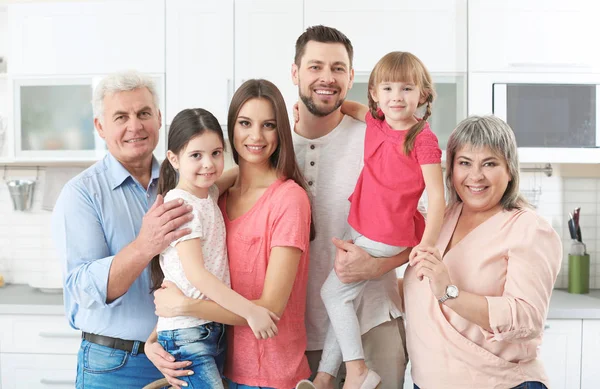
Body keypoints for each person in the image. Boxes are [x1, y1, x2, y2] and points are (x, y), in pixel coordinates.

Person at [147, 79, 314, 389]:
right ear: (231, 128)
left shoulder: (289, 200)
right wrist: (153, 339)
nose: (255, 135)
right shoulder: (214, 198)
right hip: (220, 360)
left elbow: (269, 312)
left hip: (270, 375)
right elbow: (186, 275)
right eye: (245, 123)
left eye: (268, 125)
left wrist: (183, 307)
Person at [52, 70, 195, 388]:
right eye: (121, 116)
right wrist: (145, 245)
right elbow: (82, 287)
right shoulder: (82, 194)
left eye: (144, 113)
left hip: (186, 358)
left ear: (159, 119)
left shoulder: (184, 181)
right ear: (100, 127)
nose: (135, 126)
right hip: (117, 366)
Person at [310, 51, 445, 389]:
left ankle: (356, 371)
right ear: (374, 94)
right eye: (387, 89)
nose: (396, 97)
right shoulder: (376, 122)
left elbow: (438, 200)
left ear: (423, 95)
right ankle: (325, 377)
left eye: (406, 89)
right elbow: (350, 108)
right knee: (344, 298)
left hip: (385, 232)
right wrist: (308, 111)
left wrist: (425, 247)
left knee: (333, 295)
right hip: (362, 221)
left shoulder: (423, 139)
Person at [291, 26, 412, 389]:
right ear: (295, 72)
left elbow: (423, 226)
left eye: (338, 68)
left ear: (351, 77)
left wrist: (377, 265)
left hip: (374, 328)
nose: (327, 78)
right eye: (315, 67)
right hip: (297, 335)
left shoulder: (378, 138)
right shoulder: (273, 142)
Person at [406, 115, 562, 389]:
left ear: (510, 170)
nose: (475, 176)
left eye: (489, 163)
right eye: (464, 163)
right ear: (450, 169)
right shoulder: (438, 219)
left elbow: (527, 318)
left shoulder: (529, 229)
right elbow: (423, 296)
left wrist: (449, 293)